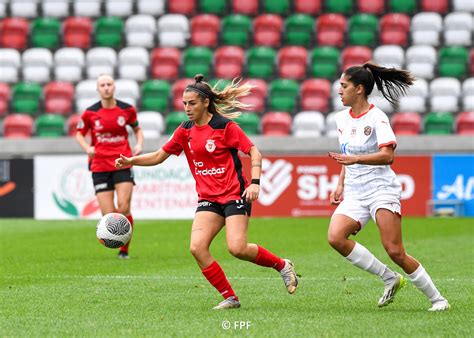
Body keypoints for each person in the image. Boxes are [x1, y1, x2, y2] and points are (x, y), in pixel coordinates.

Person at [115, 74, 298, 309]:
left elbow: (255, 153)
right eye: (184, 104)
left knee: (237, 248)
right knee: (197, 248)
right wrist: (131, 160)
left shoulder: (225, 127)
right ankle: (230, 297)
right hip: (208, 199)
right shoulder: (185, 130)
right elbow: (159, 156)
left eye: (192, 103)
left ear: (205, 103)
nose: (187, 109)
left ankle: (282, 265)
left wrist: (255, 183)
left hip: (235, 195)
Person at [327, 62, 450, 311]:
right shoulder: (340, 119)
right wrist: (340, 183)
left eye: (344, 86)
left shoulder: (377, 117)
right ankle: (389, 278)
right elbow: (346, 155)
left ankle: (439, 300)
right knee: (335, 237)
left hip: (381, 189)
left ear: (359, 89)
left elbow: (387, 156)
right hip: (355, 191)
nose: (339, 91)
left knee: (395, 250)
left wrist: (356, 159)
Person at [76, 74, 144, 259]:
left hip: (122, 162)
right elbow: (79, 134)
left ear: (114, 87)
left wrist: (139, 144)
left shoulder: (127, 109)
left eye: (109, 84)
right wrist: (87, 147)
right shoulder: (90, 112)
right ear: (98, 89)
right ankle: (117, 241)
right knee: (108, 214)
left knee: (124, 207)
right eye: (102, 85)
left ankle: (124, 251)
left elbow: (137, 129)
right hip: (99, 165)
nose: (106, 87)